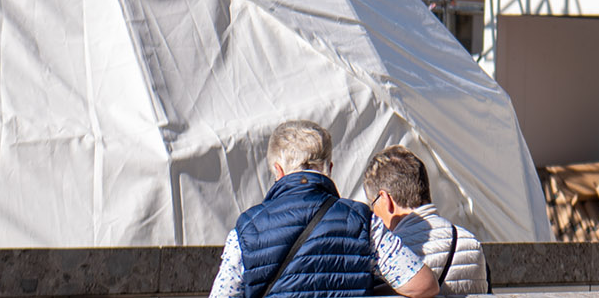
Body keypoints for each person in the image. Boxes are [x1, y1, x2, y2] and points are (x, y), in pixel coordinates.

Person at [208, 120, 437, 298]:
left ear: (278, 171)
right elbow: (423, 284)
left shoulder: (247, 229)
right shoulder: (361, 220)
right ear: (329, 167)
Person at [362, 147, 487, 296]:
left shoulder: (390, 255)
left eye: (372, 203)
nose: (374, 212)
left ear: (385, 199)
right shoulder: (471, 243)